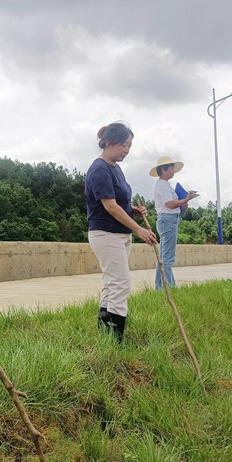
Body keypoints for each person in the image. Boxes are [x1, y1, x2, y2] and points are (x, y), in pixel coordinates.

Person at [84, 122, 157, 342]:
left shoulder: (115, 168)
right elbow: (110, 207)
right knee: (121, 284)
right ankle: (115, 340)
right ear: (108, 143)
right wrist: (139, 229)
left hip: (119, 234)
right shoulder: (99, 169)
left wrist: (133, 211)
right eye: (124, 145)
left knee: (111, 283)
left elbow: (119, 204)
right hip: (106, 234)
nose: (127, 150)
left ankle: (105, 336)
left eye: (130, 146)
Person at [150, 156, 196, 289]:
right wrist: (185, 199)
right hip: (168, 221)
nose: (173, 171)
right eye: (171, 169)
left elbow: (173, 204)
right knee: (168, 258)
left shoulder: (165, 185)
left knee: (164, 258)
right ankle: (170, 287)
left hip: (169, 220)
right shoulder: (162, 185)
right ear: (163, 170)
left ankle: (161, 287)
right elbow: (169, 204)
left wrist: (183, 204)